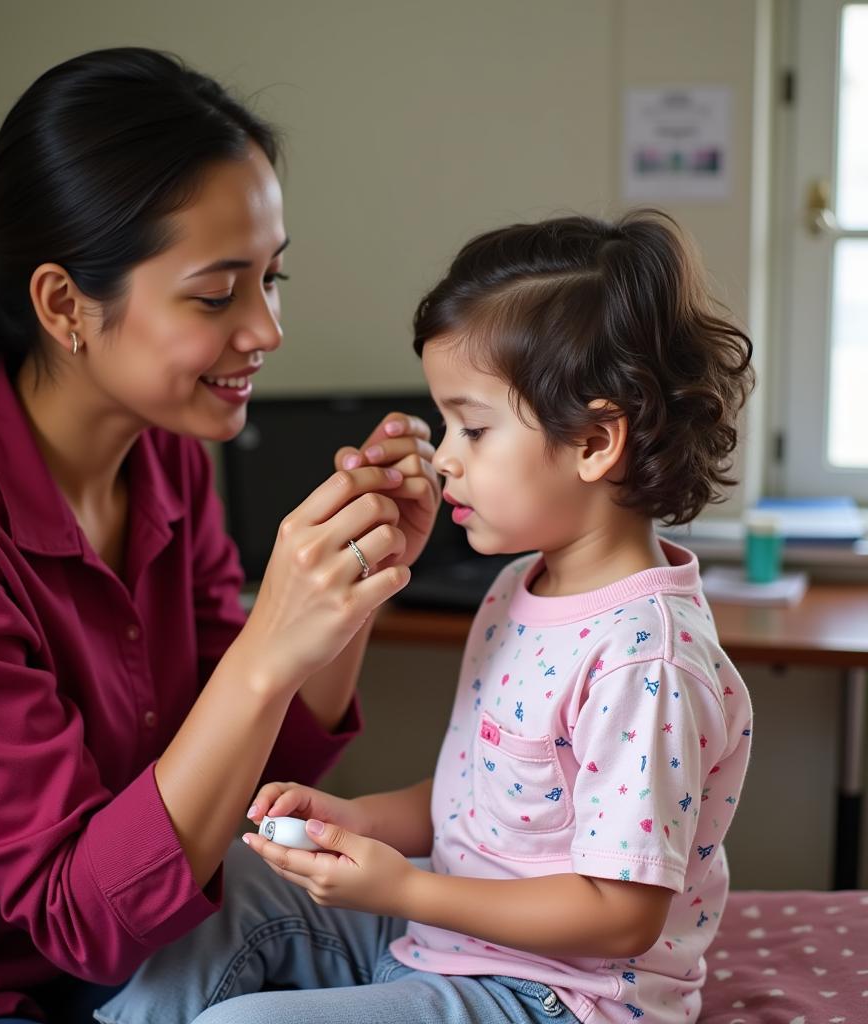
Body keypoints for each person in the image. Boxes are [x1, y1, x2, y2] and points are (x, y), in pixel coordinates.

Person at [0, 48, 440, 1024]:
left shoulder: (162, 461)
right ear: (63, 305)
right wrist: (268, 644)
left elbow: (249, 772)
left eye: (271, 277)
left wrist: (356, 581)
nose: (266, 328)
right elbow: (79, 910)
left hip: (123, 952)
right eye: (216, 294)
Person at [94, 210, 756, 1024]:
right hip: (443, 939)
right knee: (225, 892)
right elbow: (483, 801)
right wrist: (356, 821)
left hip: (560, 998)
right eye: (445, 424)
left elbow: (621, 916)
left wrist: (404, 884)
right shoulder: (521, 586)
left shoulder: (644, 660)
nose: (444, 456)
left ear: (593, 441)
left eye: (473, 427)